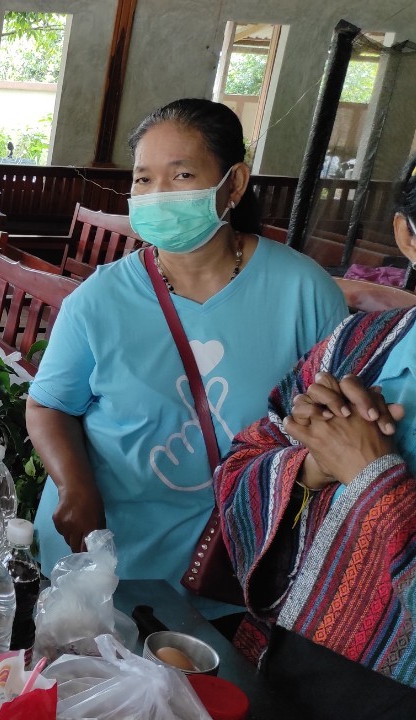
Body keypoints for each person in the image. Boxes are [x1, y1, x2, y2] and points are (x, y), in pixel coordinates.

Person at [25, 98, 349, 621]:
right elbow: (48, 406)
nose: (157, 196)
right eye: (144, 180)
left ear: (235, 184)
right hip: (99, 565)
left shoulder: (303, 294)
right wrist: (74, 484)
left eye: (181, 175)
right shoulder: (100, 300)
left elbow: (336, 425)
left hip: (233, 562)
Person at [215, 143, 416, 713]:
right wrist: (311, 462)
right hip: (289, 660)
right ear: (411, 239)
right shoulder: (360, 347)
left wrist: (371, 474)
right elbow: (242, 465)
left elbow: (370, 475)